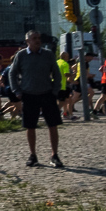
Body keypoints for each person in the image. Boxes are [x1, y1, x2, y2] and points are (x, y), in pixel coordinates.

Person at [9, 30, 64, 168]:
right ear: (27, 41)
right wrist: (17, 91)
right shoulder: (21, 56)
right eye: (34, 38)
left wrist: (55, 91)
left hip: (47, 94)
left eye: (38, 38)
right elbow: (12, 73)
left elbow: (57, 74)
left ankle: (54, 155)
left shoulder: (48, 54)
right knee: (30, 126)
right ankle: (33, 155)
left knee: (52, 125)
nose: (37, 40)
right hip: (29, 95)